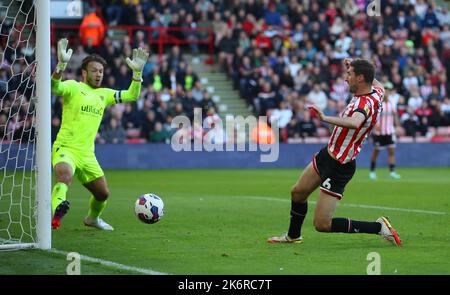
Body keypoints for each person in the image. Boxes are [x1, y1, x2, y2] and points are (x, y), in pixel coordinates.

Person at [268, 58, 401, 246]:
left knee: (322, 224)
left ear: (361, 78)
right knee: (298, 192)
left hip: (340, 165)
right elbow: (377, 84)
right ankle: (293, 236)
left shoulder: (363, 105)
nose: (346, 78)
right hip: (327, 154)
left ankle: (378, 227)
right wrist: (354, 64)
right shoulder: (376, 92)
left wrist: (324, 117)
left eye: (349, 74)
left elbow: (355, 122)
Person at [50, 38, 149, 230]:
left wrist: (137, 73)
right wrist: (61, 65)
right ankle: (56, 210)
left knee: (103, 194)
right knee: (65, 176)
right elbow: (55, 86)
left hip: (87, 155)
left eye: (101, 71)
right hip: (66, 148)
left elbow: (132, 95)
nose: (98, 74)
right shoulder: (74, 87)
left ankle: (92, 219)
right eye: (94, 70)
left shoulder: (104, 94)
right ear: (84, 72)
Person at [369, 82, 401, 180]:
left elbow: (395, 115)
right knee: (376, 151)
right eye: (386, 89)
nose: (387, 91)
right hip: (379, 133)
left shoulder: (392, 104)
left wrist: (398, 126)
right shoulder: (378, 103)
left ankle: (392, 172)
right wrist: (375, 127)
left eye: (389, 90)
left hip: (389, 131)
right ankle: (372, 171)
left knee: (391, 151)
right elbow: (373, 116)